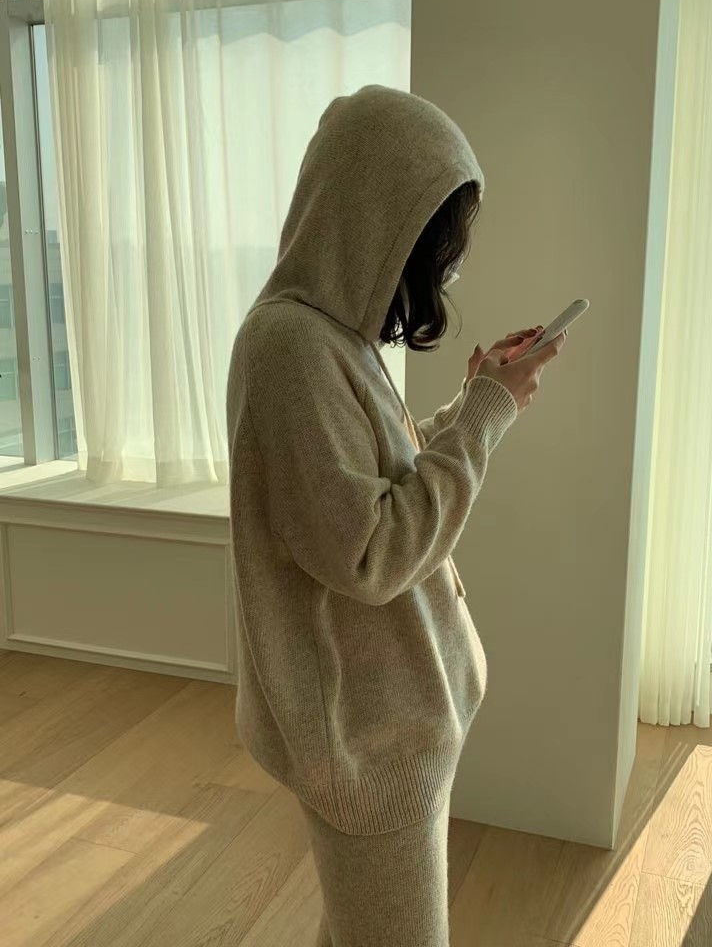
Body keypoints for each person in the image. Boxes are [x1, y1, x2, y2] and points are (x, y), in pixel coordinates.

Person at [226, 85, 566, 947]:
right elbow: (372, 551)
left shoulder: (329, 340)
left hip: (389, 722)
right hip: (366, 737)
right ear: (375, 223)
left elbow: (377, 477)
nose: (444, 272)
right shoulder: (289, 350)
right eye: (436, 247)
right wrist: (483, 415)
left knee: (363, 928)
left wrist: (475, 399)